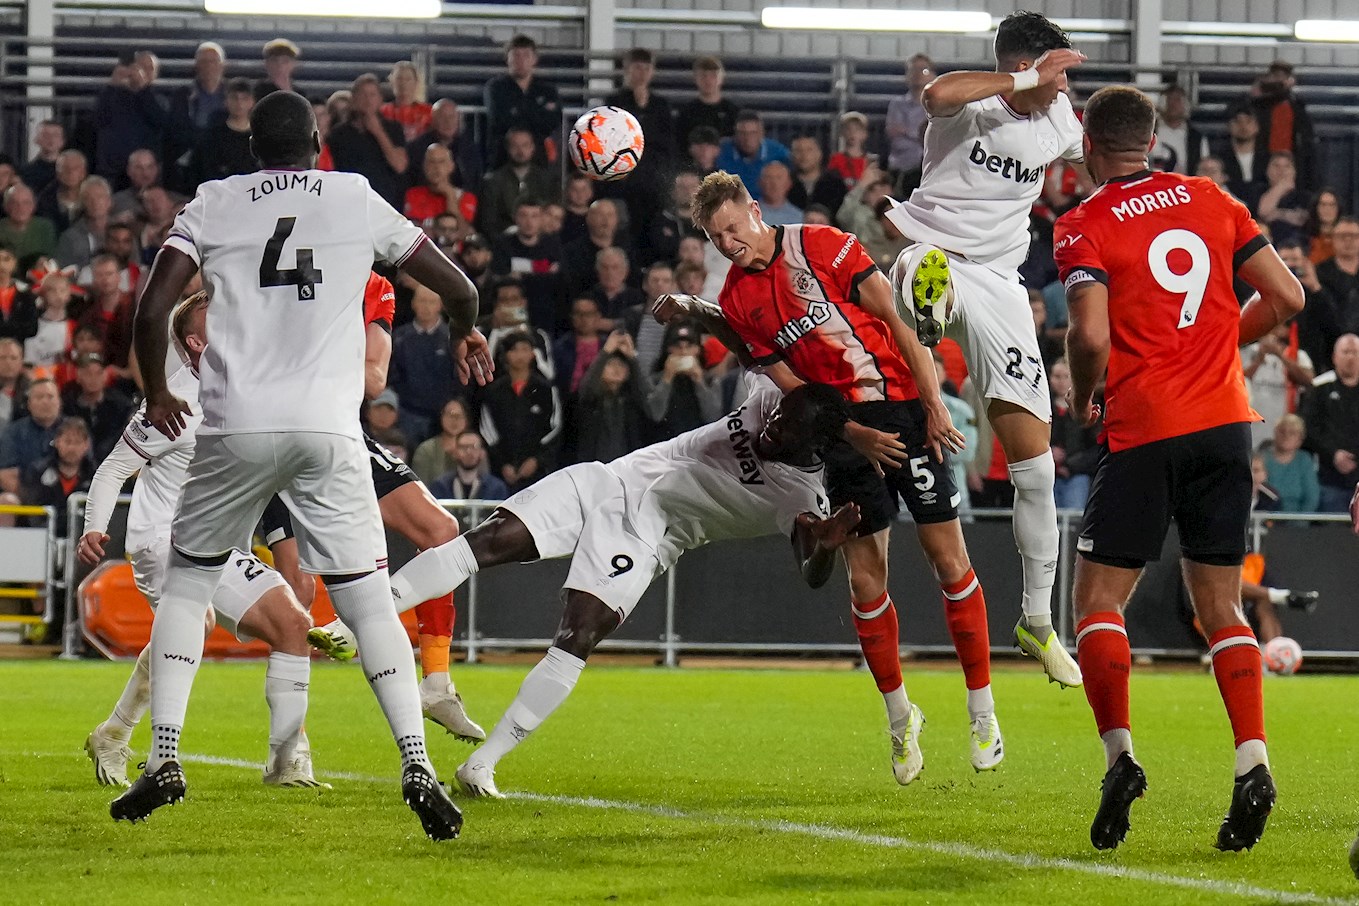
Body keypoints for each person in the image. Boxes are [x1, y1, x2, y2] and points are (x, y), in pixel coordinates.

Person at [108, 90, 490, 839]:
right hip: (328, 432)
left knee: (188, 586)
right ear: (318, 145)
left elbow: (152, 311)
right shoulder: (354, 196)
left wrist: (157, 394)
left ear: (252, 150)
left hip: (234, 428)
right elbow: (458, 287)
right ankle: (415, 763)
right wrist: (466, 333)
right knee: (369, 604)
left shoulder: (214, 201)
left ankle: (165, 758)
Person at [665, 172, 1006, 784]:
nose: (729, 243)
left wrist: (931, 402)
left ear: (755, 209)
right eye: (717, 238)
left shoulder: (821, 243)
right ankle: (901, 719)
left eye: (733, 228)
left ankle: (982, 708)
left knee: (946, 556)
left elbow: (901, 318)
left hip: (902, 404)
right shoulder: (741, 300)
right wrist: (850, 433)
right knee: (865, 576)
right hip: (844, 428)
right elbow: (792, 389)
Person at [387, 378, 860, 798]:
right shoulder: (767, 394)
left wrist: (826, 549)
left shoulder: (802, 495)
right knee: (484, 541)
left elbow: (812, 571)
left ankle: (481, 764)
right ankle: (368, 615)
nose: (770, 429)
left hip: (645, 535)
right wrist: (695, 309)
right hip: (607, 480)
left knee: (576, 638)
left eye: (785, 431)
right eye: (776, 417)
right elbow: (748, 340)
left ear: (814, 443)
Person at [1054, 84, 1303, 852]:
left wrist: (1085, 398)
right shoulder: (1211, 197)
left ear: (1089, 146)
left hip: (1144, 426)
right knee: (1220, 606)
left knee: (1097, 601)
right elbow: (1286, 296)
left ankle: (1120, 756)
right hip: (1225, 425)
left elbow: (1090, 337)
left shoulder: (1081, 223)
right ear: (1153, 138)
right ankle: (1252, 762)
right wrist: (1219, 345)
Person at [883, 12, 1087, 683]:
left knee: (1036, 472)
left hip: (1001, 284)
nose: (1064, 89)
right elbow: (934, 96)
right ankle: (929, 314)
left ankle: (1036, 623)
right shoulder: (969, 107)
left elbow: (1097, 152)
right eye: (1055, 72)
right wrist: (1025, 77)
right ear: (1025, 65)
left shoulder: (1059, 119)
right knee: (917, 271)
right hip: (933, 249)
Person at [80, 293, 321, 789]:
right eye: (216, 315)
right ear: (195, 340)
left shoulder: (249, 389)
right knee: (194, 622)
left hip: (219, 543)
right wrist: (93, 528)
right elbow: (112, 471)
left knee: (293, 624)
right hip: (162, 539)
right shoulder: (174, 399)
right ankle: (144, 749)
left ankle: (288, 761)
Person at [308, 272, 485, 743]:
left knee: (442, 532)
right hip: (268, 430)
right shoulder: (290, 262)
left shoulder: (374, 286)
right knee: (279, 591)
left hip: (336, 428)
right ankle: (288, 748)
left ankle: (437, 683)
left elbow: (373, 379)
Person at [478, 331, 561, 493]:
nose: (520, 355)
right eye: (514, 350)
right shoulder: (493, 391)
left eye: (525, 349)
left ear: (533, 354)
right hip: (501, 473)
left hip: (539, 473)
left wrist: (537, 460)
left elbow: (555, 428)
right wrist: (503, 463)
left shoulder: (546, 390)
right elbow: (487, 430)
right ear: (506, 355)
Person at [389, 280, 461, 445]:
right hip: (408, 414)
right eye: (422, 301)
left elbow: (458, 377)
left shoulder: (453, 338)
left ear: (440, 305)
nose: (426, 307)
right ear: (413, 303)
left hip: (443, 415)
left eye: (431, 301)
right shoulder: (399, 337)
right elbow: (392, 375)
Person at [326, 73, 409, 211]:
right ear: (353, 99)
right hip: (351, 203)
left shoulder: (393, 128)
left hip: (386, 203)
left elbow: (400, 165)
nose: (368, 100)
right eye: (363, 94)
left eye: (372, 95)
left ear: (380, 99)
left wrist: (378, 131)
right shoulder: (339, 133)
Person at [483, 34, 561, 167]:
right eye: (516, 55)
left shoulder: (547, 90)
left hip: (537, 158)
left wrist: (517, 111)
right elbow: (499, 120)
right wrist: (536, 112)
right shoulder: (495, 87)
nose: (521, 60)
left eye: (526, 55)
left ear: (534, 59)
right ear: (507, 59)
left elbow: (553, 121)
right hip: (502, 157)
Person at [1302, 334, 1359, 512]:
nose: (1350, 357)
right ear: (1335, 357)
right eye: (1346, 352)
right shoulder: (1320, 387)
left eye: (1355, 352)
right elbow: (1308, 427)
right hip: (1328, 478)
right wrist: (1333, 454)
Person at [477, 127, 559, 239]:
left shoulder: (547, 179)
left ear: (532, 148)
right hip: (503, 242)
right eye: (515, 146)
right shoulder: (494, 181)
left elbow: (554, 214)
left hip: (541, 240)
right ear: (508, 148)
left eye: (525, 145)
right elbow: (488, 221)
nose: (520, 151)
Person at [1243, 320, 1313, 447]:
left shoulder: (1297, 355)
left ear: (1285, 331)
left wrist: (1280, 355)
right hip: (1250, 428)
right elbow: (1236, 380)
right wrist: (1258, 360)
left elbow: (1308, 380)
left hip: (1283, 432)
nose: (1272, 332)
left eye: (1277, 328)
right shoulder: (1247, 352)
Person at [61, 352, 131, 461]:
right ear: (78, 377)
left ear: (105, 376)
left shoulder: (120, 405)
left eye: (98, 373)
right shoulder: (68, 405)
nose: (93, 378)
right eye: (88, 373)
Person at [408, 99, 483, 196]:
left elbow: (474, 184)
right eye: (442, 117)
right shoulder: (416, 148)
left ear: (458, 119)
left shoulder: (469, 149)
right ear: (433, 120)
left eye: (451, 117)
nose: (448, 122)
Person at [190, 78, 257, 187]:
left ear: (252, 102)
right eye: (234, 98)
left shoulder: (261, 137)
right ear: (226, 101)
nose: (239, 103)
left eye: (244, 98)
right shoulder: (212, 136)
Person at [0, 377, 63, 494]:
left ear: (59, 401)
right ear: (29, 403)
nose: (45, 402)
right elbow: (5, 475)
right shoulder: (13, 432)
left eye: (50, 396)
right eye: (39, 397)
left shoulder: (73, 430)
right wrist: (32, 499)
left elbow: (87, 469)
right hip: (26, 498)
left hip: (68, 496)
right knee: (7, 501)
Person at [885, 55, 933, 195]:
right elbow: (896, 139)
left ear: (932, 75)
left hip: (929, 170)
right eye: (913, 70)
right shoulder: (896, 105)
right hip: (900, 170)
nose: (917, 74)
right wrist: (920, 135)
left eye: (923, 70)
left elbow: (935, 137)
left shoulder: (937, 106)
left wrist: (906, 131)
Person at [715, 111, 789, 201]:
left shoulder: (778, 152)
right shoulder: (721, 151)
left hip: (767, 207)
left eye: (753, 133)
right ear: (735, 134)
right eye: (742, 133)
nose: (747, 139)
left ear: (762, 133)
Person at [675, 56, 740, 147]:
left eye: (713, 75)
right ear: (695, 79)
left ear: (721, 78)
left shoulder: (733, 112)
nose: (708, 80)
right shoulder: (686, 112)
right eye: (703, 75)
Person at [428, 431, 508, 501]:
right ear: (455, 453)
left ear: (483, 453)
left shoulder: (496, 488)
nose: (469, 452)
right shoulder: (440, 486)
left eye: (474, 447)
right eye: (463, 447)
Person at [1263, 414, 1319, 514]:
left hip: (1297, 523)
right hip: (1266, 519)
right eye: (1282, 431)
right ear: (1275, 433)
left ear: (1300, 439)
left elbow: (1312, 498)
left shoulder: (1304, 460)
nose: (1286, 436)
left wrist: (1299, 523)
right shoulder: (1263, 458)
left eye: (1292, 433)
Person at [410, 397, 470, 484]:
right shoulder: (426, 450)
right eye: (450, 415)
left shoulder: (474, 449)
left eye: (459, 416)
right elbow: (420, 487)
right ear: (441, 416)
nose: (455, 420)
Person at [1150, 84, 1208, 175]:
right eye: (1169, 99)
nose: (1173, 104)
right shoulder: (1149, 132)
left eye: (1178, 100)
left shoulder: (1196, 137)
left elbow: (1204, 166)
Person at [1256, 152, 1310, 247]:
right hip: (1264, 246)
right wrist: (1281, 186)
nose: (1281, 171)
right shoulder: (1258, 192)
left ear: (1294, 171)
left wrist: (1276, 214)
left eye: (1287, 166)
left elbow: (1302, 219)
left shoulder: (1304, 196)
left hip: (1297, 246)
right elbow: (1263, 212)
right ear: (1267, 170)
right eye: (1276, 166)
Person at [0, 183, 57, 269]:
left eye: (26, 203)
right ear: (6, 206)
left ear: (34, 205)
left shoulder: (45, 227)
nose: (20, 208)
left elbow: (50, 259)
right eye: (14, 203)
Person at [787, 136, 846, 216]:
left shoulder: (835, 183)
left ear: (819, 154)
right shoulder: (786, 183)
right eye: (798, 151)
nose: (804, 155)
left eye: (809, 150)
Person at [35, 149, 87, 234]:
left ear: (83, 173)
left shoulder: (93, 198)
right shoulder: (43, 201)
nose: (70, 172)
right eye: (65, 168)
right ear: (57, 173)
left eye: (75, 168)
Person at [381, 61, 432, 143]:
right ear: (392, 82)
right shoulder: (382, 112)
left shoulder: (428, 112)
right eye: (399, 79)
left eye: (408, 79)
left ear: (416, 83)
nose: (403, 83)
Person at [0, 243, 37, 344]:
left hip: (17, 350)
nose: (1, 265)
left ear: (14, 262)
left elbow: (31, 328)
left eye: (6, 259)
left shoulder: (25, 291)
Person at [827, 111, 873, 189]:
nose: (852, 133)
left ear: (864, 134)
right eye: (848, 129)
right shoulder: (836, 159)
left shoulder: (870, 161)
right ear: (842, 132)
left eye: (857, 129)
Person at [755, 162, 802, 227]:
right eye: (769, 177)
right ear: (760, 182)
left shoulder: (799, 218)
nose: (774, 183)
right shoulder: (750, 215)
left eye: (779, 178)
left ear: (789, 183)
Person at [1306, 189, 1342, 265]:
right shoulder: (1304, 238)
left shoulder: (1345, 239)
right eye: (1323, 205)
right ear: (1316, 208)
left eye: (1332, 205)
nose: (1327, 209)